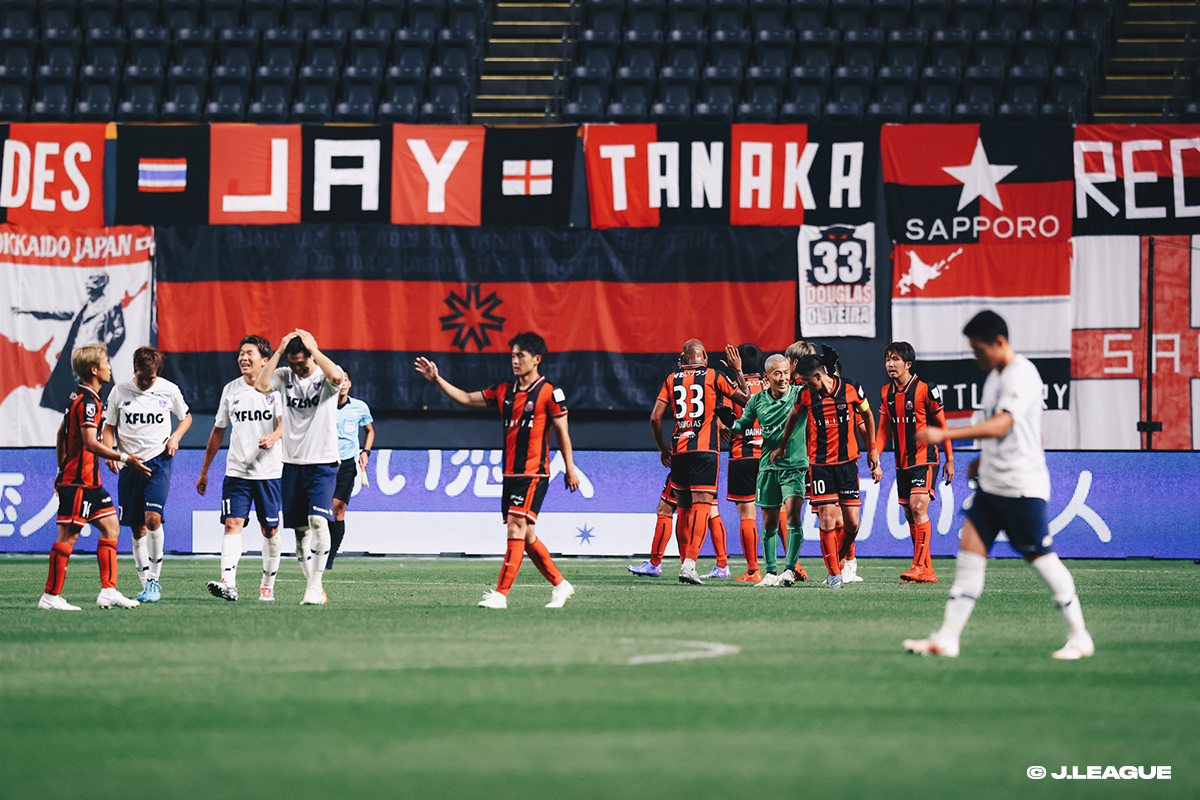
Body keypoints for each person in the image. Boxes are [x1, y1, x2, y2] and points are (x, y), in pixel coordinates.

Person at [904, 311, 1094, 660]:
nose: (976, 357)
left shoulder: (1022, 375)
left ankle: (1080, 636)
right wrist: (981, 461)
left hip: (1020, 487)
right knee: (968, 562)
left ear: (999, 342)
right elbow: (1015, 431)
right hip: (991, 488)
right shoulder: (994, 377)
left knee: (1043, 560)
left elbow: (1001, 425)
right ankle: (947, 638)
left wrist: (944, 434)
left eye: (979, 349)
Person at [415, 332, 580, 609]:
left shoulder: (550, 392)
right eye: (512, 356)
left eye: (521, 356)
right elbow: (467, 399)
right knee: (526, 537)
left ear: (536, 359)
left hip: (534, 473)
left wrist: (570, 468)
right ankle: (561, 585)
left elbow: (563, 433)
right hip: (510, 474)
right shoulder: (504, 390)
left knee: (516, 528)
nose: (515, 361)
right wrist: (437, 379)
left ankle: (501, 595)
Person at [39, 343, 150, 610]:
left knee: (111, 527)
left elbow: (60, 435)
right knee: (68, 537)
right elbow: (89, 442)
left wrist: (59, 469)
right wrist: (124, 458)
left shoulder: (79, 396)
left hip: (89, 482)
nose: (110, 366)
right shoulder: (88, 401)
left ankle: (109, 591)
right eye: (106, 362)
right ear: (94, 369)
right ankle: (50, 596)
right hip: (78, 482)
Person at [776, 346, 880, 589]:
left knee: (853, 524)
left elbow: (868, 416)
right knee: (827, 521)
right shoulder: (806, 396)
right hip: (820, 466)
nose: (805, 385)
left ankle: (839, 558)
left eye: (806, 381)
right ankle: (834, 574)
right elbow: (793, 418)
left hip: (847, 464)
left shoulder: (851, 388)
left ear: (819, 376)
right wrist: (782, 446)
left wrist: (873, 449)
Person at [255, 329, 344, 606]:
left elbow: (338, 378)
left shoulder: (324, 377)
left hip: (323, 462)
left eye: (301, 363)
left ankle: (315, 586)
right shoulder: (284, 376)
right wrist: (279, 352)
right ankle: (313, 586)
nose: (297, 369)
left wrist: (314, 349)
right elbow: (260, 385)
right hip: (292, 463)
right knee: (300, 534)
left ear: (311, 357)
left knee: (318, 521)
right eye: (292, 363)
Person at [651, 339, 749, 585]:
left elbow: (655, 418)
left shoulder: (671, 379)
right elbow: (747, 399)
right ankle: (690, 565)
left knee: (683, 508)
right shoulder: (715, 375)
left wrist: (663, 448)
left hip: (678, 450)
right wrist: (737, 370)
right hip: (705, 451)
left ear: (683, 358)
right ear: (704, 354)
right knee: (703, 506)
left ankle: (685, 561)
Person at [196, 335, 284, 602]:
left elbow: (286, 424)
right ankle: (228, 583)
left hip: (270, 473)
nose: (243, 358)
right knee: (232, 524)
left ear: (265, 360)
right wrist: (205, 470)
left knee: (269, 531)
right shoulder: (230, 390)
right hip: (236, 472)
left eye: (250, 354)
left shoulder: (276, 390)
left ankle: (267, 586)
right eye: (241, 354)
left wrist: (275, 436)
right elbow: (218, 430)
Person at [102, 346, 192, 603]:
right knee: (136, 528)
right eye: (142, 377)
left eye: (150, 379)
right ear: (135, 370)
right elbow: (109, 427)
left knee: (153, 519)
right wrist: (110, 452)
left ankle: (154, 580)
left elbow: (186, 418)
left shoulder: (168, 389)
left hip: (159, 462)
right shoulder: (120, 391)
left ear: (157, 374)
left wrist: (175, 436)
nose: (145, 382)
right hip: (130, 464)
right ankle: (145, 585)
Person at [874, 342, 955, 584]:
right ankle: (927, 570)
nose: (890, 364)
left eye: (896, 359)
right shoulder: (885, 392)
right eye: (888, 359)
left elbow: (942, 426)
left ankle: (918, 566)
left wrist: (950, 459)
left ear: (908, 364)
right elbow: (882, 430)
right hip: (901, 463)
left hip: (925, 459)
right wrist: (875, 456)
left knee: (919, 507)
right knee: (910, 514)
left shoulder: (926, 390)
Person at [725, 354, 807, 587]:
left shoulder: (800, 394)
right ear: (766, 377)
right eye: (777, 374)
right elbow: (742, 425)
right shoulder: (757, 401)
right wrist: (731, 422)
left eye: (786, 373)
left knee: (792, 518)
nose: (783, 378)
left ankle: (790, 569)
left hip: (794, 466)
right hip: (768, 467)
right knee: (769, 523)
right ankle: (770, 572)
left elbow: (821, 388)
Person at [724, 344, 767, 582]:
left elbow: (724, 426)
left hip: (742, 456)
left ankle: (753, 570)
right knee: (778, 511)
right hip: (769, 456)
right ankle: (795, 565)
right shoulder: (772, 384)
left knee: (747, 514)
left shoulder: (730, 388)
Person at [328, 373, 374, 569]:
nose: (343, 384)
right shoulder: (323, 406)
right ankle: (319, 551)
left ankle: (329, 558)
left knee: (337, 509)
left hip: (346, 465)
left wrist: (366, 451)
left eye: (345, 380)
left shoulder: (359, 407)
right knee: (322, 513)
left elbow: (370, 431)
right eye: (339, 381)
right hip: (324, 464)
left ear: (350, 383)